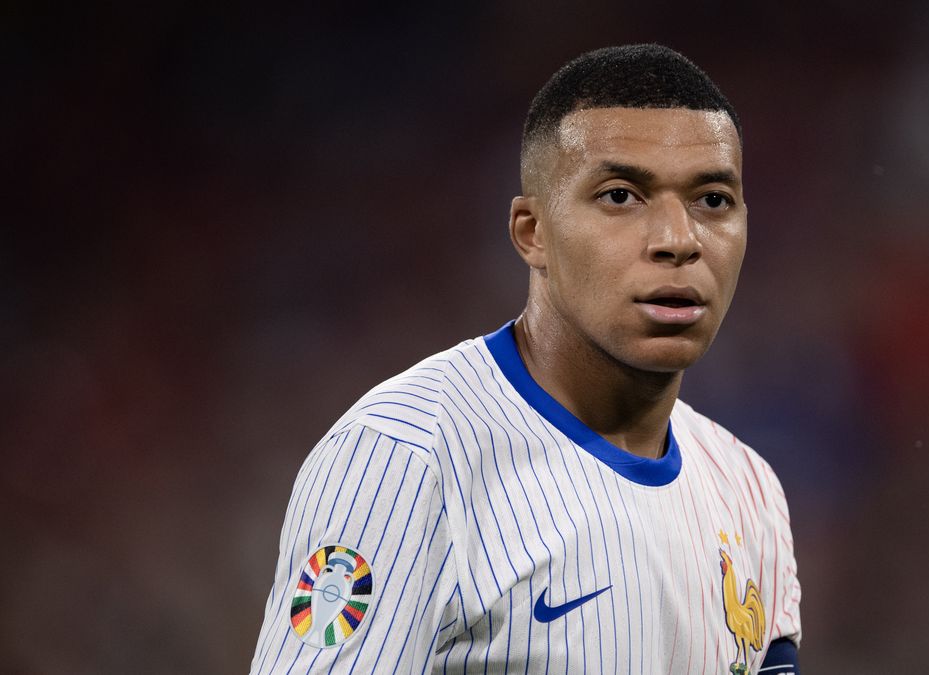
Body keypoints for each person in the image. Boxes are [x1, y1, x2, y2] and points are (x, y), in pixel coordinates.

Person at [250, 43, 802, 674]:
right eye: (621, 196)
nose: (678, 240)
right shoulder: (405, 458)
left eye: (712, 200)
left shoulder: (749, 488)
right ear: (531, 233)